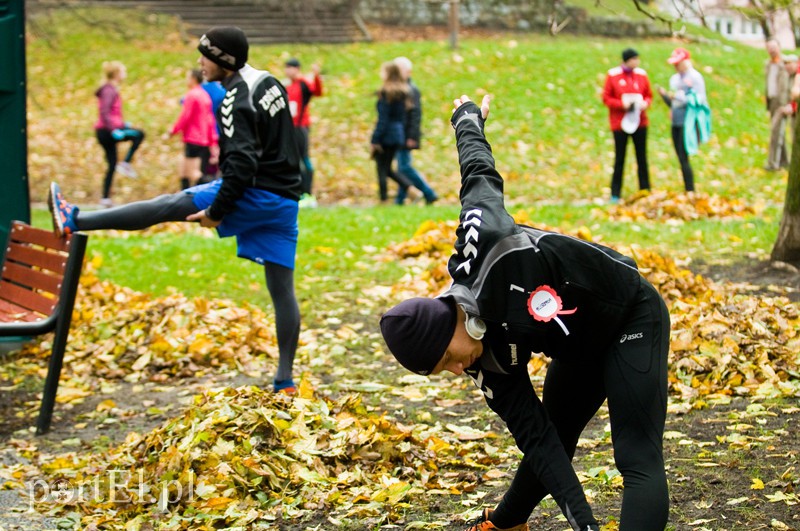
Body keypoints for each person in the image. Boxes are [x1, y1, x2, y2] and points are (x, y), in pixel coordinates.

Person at [380, 95, 670, 531]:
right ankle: (506, 524)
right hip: (576, 348)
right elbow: (539, 443)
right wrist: (586, 525)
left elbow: (477, 174)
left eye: (447, 360)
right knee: (553, 436)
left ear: (449, 323)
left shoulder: (486, 242)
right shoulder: (486, 362)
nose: (458, 370)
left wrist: (466, 118)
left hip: (630, 315)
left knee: (635, 456)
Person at [50, 26, 302, 395]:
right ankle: (285, 380)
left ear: (222, 60)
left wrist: (216, 211)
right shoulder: (269, 82)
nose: (199, 63)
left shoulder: (235, 100)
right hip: (285, 201)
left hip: (253, 192)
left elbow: (242, 165)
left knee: (166, 205)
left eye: (205, 55)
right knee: (282, 290)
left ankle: (74, 219)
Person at [602, 48, 652, 204]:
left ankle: (645, 190)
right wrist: (621, 104)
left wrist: (645, 103)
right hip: (620, 123)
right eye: (634, 59)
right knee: (620, 158)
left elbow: (648, 95)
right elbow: (606, 98)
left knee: (642, 157)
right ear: (627, 60)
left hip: (640, 122)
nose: (637, 62)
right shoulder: (613, 75)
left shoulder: (641, 75)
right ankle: (615, 193)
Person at [94, 60, 145, 207]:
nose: (125, 75)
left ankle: (105, 197)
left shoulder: (109, 89)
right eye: (123, 72)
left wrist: (123, 125)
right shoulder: (109, 90)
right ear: (116, 74)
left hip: (107, 129)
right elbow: (105, 112)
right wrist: (114, 129)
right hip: (107, 131)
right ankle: (126, 163)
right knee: (139, 134)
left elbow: (112, 113)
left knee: (111, 164)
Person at [658, 47, 707, 192]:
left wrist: (679, 97)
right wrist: (665, 96)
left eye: (678, 63)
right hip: (676, 121)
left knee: (684, 156)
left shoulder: (695, 78)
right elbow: (673, 104)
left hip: (689, 122)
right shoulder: (674, 79)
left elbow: (699, 100)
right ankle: (687, 189)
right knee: (680, 156)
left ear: (686, 61)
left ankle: (690, 189)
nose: (675, 67)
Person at [393, 56, 438, 205]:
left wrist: (411, 136)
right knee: (401, 168)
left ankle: (428, 192)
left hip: (406, 135)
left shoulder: (411, 90)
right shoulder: (399, 89)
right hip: (399, 134)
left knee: (404, 167)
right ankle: (400, 199)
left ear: (408, 72)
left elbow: (415, 115)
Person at [169, 68, 219, 190]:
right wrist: (212, 142)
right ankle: (184, 198)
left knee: (194, 173)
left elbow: (185, 116)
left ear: (193, 79)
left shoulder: (192, 95)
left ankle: (218, 187)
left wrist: (173, 130)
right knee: (184, 171)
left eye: (187, 77)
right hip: (203, 140)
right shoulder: (204, 95)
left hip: (193, 139)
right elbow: (209, 120)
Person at [370, 61, 412, 204]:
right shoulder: (403, 92)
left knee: (381, 168)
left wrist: (375, 139)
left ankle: (383, 200)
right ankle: (409, 188)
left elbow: (383, 119)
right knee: (387, 168)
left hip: (386, 135)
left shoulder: (385, 93)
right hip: (397, 133)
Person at [284, 58, 324, 208]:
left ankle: (308, 193)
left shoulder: (303, 83)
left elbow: (317, 91)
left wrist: (316, 76)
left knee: (304, 158)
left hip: (301, 126)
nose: (287, 71)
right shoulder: (288, 87)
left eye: (290, 68)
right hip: (290, 127)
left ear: (297, 68)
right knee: (293, 160)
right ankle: (298, 192)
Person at [764, 39, 791, 171]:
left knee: (776, 132)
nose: (772, 50)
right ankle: (785, 161)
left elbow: (788, 86)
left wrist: (786, 103)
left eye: (774, 47)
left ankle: (772, 164)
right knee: (779, 131)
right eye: (769, 48)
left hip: (782, 102)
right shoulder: (768, 65)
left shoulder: (785, 64)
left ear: (779, 47)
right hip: (772, 101)